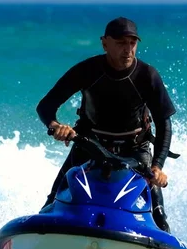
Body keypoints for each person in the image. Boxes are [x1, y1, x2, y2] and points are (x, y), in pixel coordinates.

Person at [36, 17, 177, 232]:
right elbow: (45, 106)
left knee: (159, 217)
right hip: (88, 144)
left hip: (135, 150)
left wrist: (157, 166)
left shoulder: (148, 76)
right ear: (105, 43)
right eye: (121, 43)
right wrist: (56, 126)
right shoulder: (87, 71)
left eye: (132, 43)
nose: (128, 49)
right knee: (52, 204)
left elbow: (164, 124)